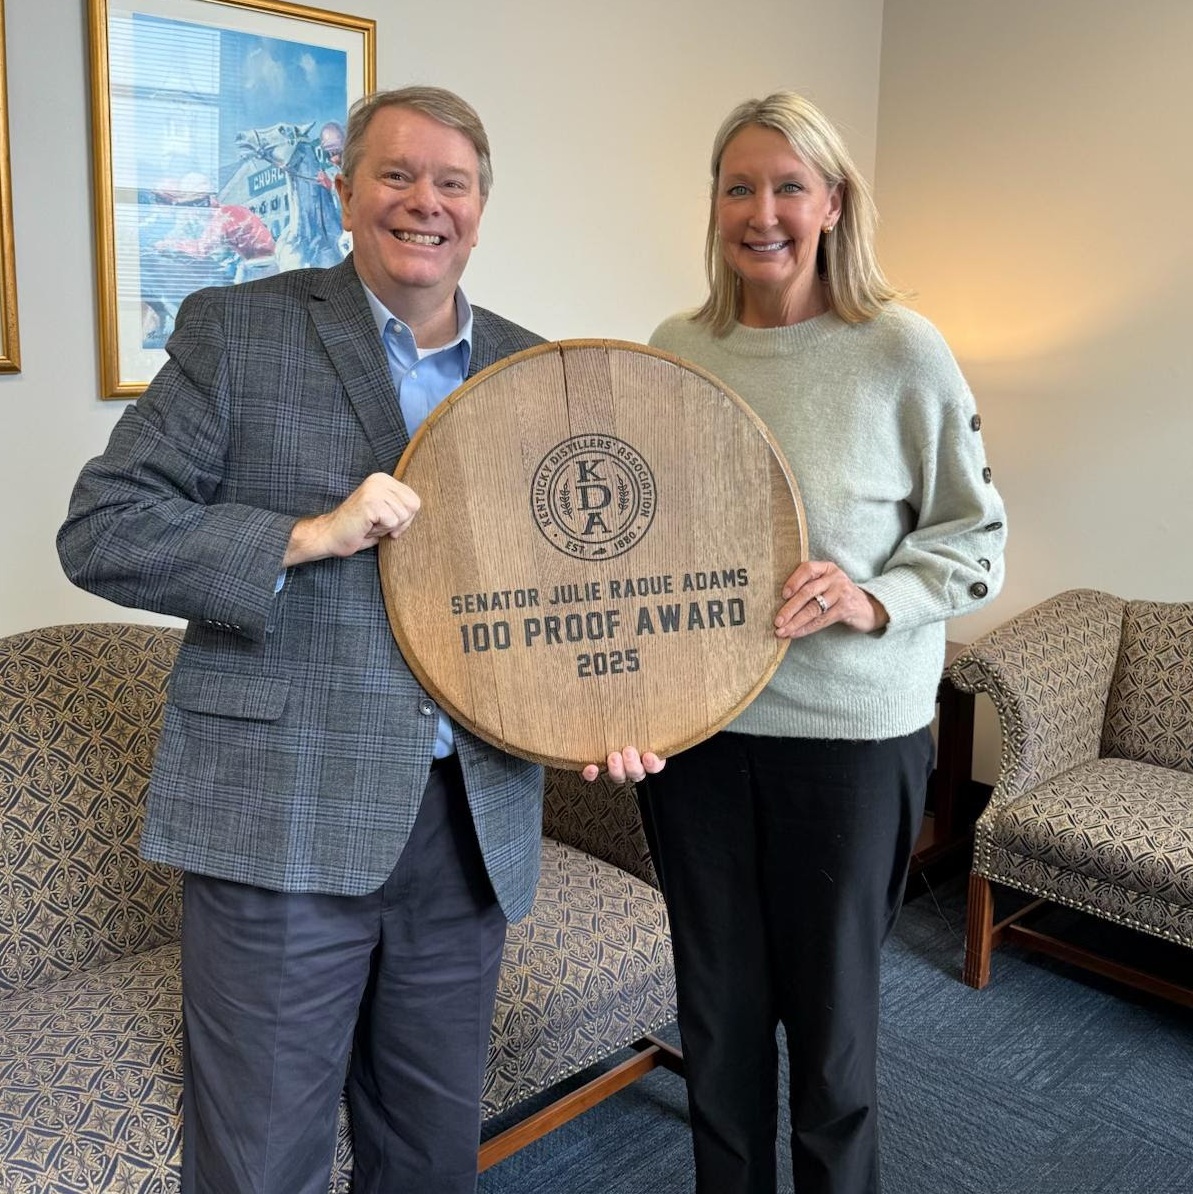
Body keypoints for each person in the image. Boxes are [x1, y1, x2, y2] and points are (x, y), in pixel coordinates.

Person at [58, 85, 659, 1194]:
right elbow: (103, 531)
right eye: (396, 174)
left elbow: (575, 585)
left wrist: (604, 712)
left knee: (428, 1154)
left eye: (451, 182)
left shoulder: (534, 371)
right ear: (342, 194)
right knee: (262, 1163)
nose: (424, 201)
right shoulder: (238, 330)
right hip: (281, 815)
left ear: (480, 207)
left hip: (469, 827)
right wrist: (307, 536)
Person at [637, 91, 1007, 1194]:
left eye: (788, 186)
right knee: (717, 1023)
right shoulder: (674, 349)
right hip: (700, 738)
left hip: (848, 742)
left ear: (832, 203)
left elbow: (975, 537)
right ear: (713, 205)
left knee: (833, 1037)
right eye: (738, 188)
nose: (762, 212)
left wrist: (871, 598)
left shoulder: (899, 348)